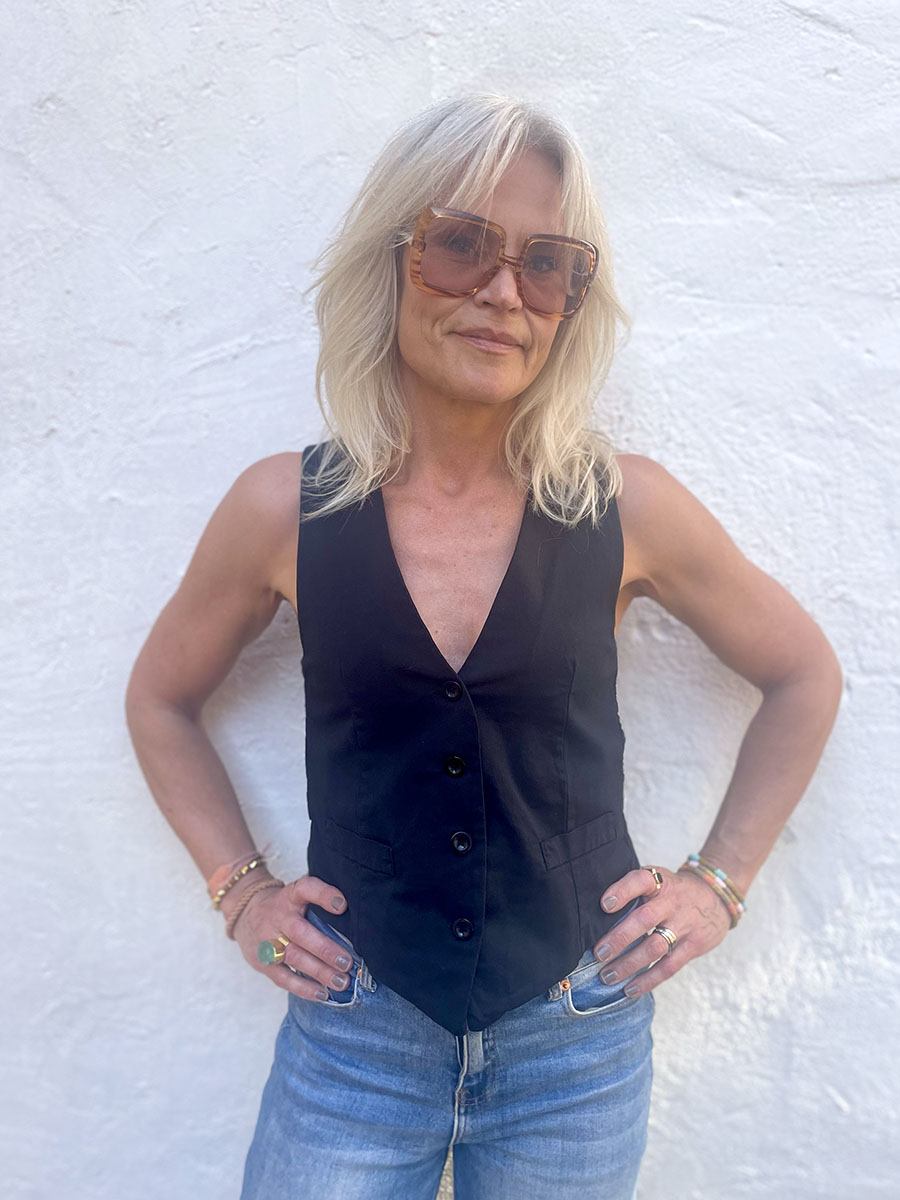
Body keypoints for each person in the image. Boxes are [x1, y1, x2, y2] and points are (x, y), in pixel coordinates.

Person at [125, 94, 843, 1199]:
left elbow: (803, 674)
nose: (504, 293)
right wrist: (241, 893)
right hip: (355, 1041)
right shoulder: (282, 511)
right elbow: (161, 699)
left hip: (577, 1048)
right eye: (462, 245)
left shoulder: (624, 507)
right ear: (391, 260)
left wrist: (717, 885)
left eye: (547, 265)